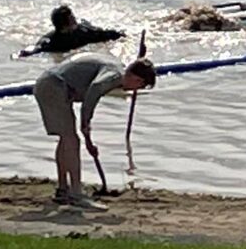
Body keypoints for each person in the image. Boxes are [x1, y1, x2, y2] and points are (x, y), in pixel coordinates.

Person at [33, 53, 157, 211]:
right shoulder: (114, 75)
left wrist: (88, 135)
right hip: (55, 86)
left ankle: (63, 190)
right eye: (139, 86)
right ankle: (76, 194)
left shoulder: (116, 69)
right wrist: (86, 122)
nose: (135, 90)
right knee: (72, 140)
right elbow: (95, 88)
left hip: (52, 84)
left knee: (66, 139)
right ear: (135, 78)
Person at [20, 5, 125, 56]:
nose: (75, 20)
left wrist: (120, 35)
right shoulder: (51, 41)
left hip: (86, 30)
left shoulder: (84, 32)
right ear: (65, 25)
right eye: (72, 19)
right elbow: (37, 48)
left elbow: (105, 34)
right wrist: (25, 53)